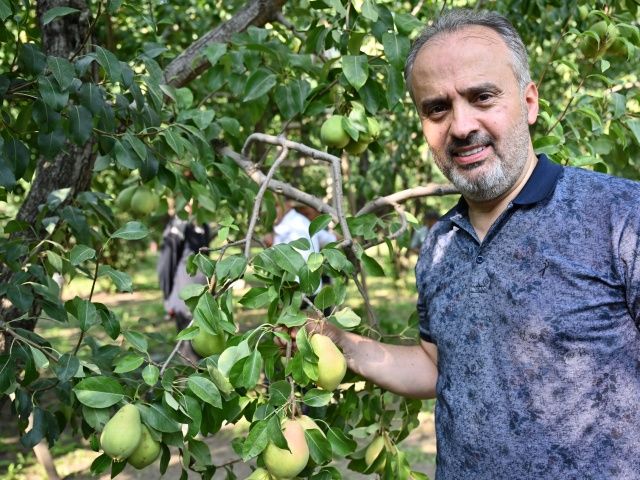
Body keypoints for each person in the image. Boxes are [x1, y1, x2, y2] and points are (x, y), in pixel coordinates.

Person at [310, 8, 640, 479]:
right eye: (437, 108)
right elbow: (439, 366)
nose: (461, 126)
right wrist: (342, 343)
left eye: (482, 96)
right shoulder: (441, 245)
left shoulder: (621, 216)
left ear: (529, 102)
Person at [157, 202, 212, 361]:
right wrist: (168, 298)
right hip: (184, 299)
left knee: (204, 344)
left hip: (202, 296)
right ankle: (189, 380)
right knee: (188, 345)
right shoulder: (178, 226)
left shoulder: (203, 225)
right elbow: (166, 263)